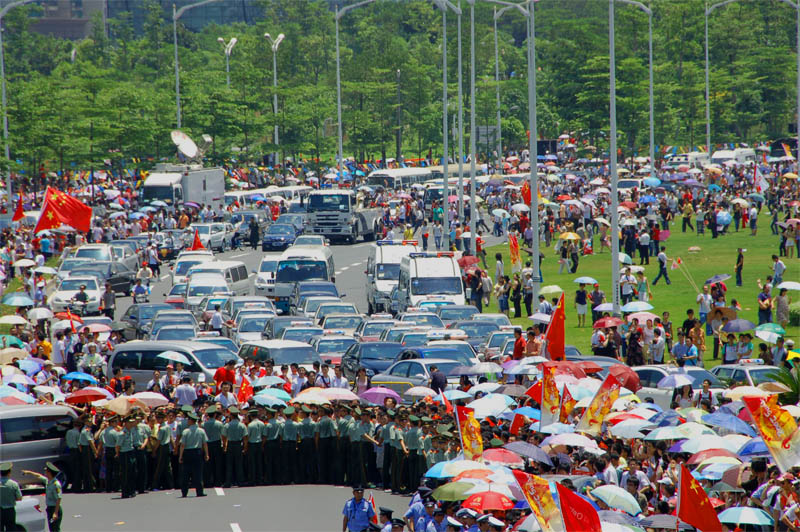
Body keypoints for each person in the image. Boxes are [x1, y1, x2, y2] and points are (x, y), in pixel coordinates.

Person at [22, 463, 62, 532]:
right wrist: (29, 472)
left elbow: (58, 498)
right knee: (52, 528)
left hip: (55, 509)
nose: (45, 472)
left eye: (46, 471)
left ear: (50, 473)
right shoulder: (48, 481)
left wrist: (55, 513)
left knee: (55, 529)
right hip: (50, 509)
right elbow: (39, 475)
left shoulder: (56, 484)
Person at [178, 411, 208, 498]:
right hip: (197, 452)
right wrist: (206, 454)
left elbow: (182, 445)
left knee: (186, 473)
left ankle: (184, 492)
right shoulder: (201, 431)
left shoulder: (185, 432)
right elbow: (205, 444)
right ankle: (199, 491)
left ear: (191, 421)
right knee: (198, 473)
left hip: (187, 453)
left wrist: (180, 456)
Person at [0, 462, 22, 532]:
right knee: (11, 528)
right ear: (9, 472)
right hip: (10, 511)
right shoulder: (14, 484)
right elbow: (19, 498)